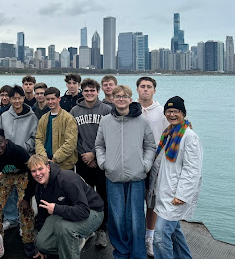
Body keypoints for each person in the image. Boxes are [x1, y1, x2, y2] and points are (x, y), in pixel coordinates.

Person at [95, 84, 156, 259]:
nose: (121, 99)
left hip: (136, 177)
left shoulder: (142, 121)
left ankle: (138, 254)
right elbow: (99, 145)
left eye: (124, 96)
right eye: (117, 96)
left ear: (131, 99)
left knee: (136, 219)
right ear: (112, 99)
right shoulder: (106, 121)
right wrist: (104, 163)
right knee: (117, 219)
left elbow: (150, 146)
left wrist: (144, 165)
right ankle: (121, 252)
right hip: (113, 177)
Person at [148, 97, 202, 259]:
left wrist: (182, 195)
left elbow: (193, 170)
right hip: (163, 192)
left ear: (183, 114)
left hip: (175, 195)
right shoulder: (169, 134)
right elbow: (159, 165)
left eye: (176, 111)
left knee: (159, 237)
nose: (172, 114)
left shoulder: (189, 137)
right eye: (169, 111)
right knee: (174, 235)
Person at [29, 154, 104, 259]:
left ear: (48, 167)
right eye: (33, 171)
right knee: (42, 243)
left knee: (64, 227)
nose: (38, 174)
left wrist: (56, 209)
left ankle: (74, 240)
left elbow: (84, 210)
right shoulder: (39, 188)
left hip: (93, 212)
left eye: (40, 169)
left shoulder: (67, 179)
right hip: (67, 212)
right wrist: (42, 250)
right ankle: (75, 241)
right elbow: (42, 216)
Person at [70, 78, 112, 247]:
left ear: (98, 91)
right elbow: (73, 137)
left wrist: (94, 155)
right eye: (86, 91)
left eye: (92, 90)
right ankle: (86, 229)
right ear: (82, 91)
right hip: (82, 161)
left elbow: (110, 135)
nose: (89, 93)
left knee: (102, 195)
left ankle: (102, 229)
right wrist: (84, 155)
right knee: (84, 196)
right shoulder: (74, 110)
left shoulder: (107, 109)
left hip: (101, 159)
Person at [0, 129, 36, 257]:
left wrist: (26, 197)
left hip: (23, 175)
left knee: (24, 206)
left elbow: (32, 172)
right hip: (6, 176)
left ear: (6, 141)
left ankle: (28, 240)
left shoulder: (18, 151)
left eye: (0, 143)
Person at [136, 76, 171, 256]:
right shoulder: (132, 108)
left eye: (149, 87)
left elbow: (169, 136)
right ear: (137, 89)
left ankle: (150, 236)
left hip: (156, 161)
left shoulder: (161, 111)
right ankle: (136, 235)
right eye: (142, 86)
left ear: (154, 90)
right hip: (135, 160)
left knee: (152, 201)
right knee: (135, 201)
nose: (145, 90)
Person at [0, 85, 38, 230]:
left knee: (24, 193)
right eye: (13, 98)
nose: (16, 101)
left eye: (19, 98)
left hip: (24, 159)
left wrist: (25, 147)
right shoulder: (4, 116)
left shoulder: (32, 116)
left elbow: (34, 136)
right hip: (7, 159)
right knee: (9, 189)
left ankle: (24, 222)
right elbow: (0, 136)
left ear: (23, 98)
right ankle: (11, 218)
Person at [35, 87, 78, 170]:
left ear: (59, 99)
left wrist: (55, 159)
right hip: (45, 164)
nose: (50, 102)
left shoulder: (68, 118)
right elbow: (38, 139)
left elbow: (70, 143)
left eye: (53, 99)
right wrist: (44, 158)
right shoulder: (43, 118)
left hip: (64, 165)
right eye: (47, 99)